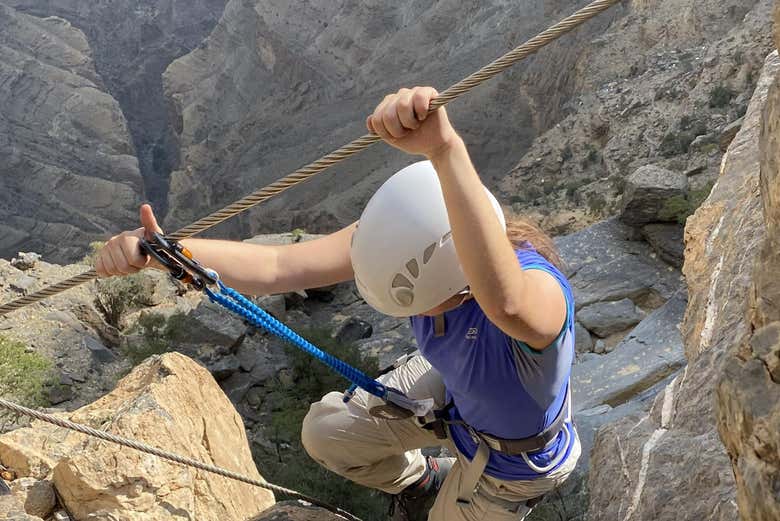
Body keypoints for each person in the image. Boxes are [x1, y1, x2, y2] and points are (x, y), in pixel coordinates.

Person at [95, 86, 580, 521]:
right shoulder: (412, 237)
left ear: (457, 289)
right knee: (327, 432)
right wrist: (162, 253)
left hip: (509, 464)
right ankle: (423, 483)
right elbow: (279, 266)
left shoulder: (540, 297)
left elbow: (506, 303)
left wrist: (443, 149)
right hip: (459, 394)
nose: (418, 316)